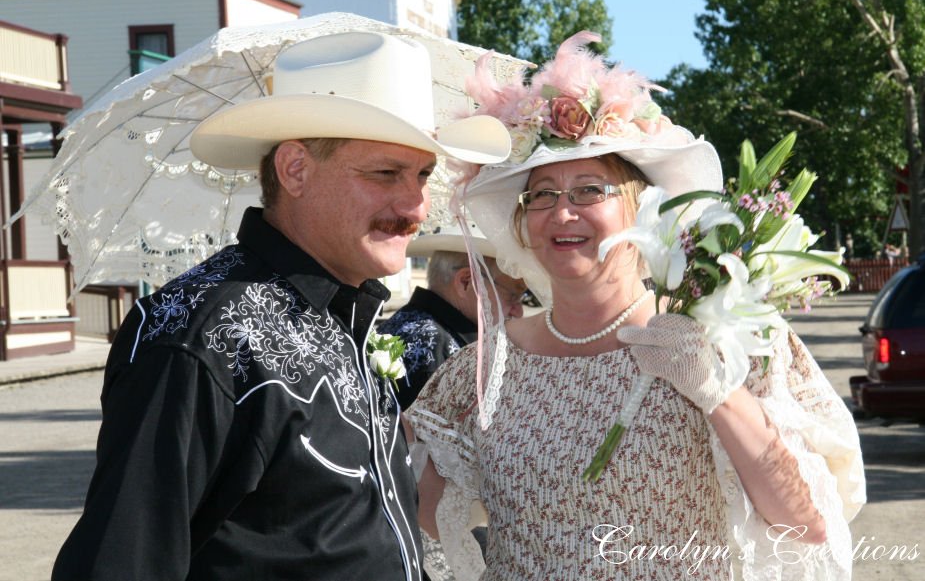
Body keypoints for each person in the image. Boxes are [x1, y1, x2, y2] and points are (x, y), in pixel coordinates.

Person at [51, 31, 510, 581]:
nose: (415, 205)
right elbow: (121, 561)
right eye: (386, 173)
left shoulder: (344, 318)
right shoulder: (200, 335)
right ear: (295, 170)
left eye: (423, 175)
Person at [406, 32, 865, 580]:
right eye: (543, 195)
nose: (562, 212)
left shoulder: (726, 342)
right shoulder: (482, 369)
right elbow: (420, 514)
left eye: (589, 191)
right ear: (524, 223)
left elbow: (806, 523)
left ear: (642, 209)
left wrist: (715, 390)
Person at [378, 221, 527, 410]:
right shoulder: (437, 347)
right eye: (513, 295)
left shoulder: (413, 324)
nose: (518, 310)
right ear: (467, 282)